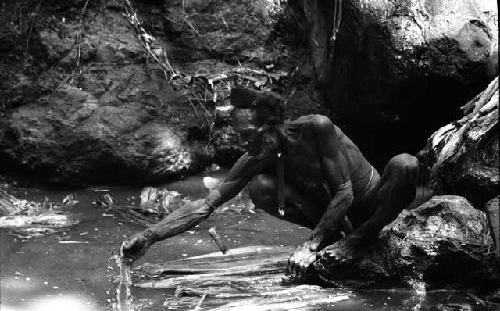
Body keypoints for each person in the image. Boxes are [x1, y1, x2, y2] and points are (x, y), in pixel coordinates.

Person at [121, 86, 419, 281]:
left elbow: (345, 192)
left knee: (406, 164)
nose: (242, 142)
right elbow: (205, 203)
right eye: (238, 134)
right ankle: (334, 239)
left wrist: (308, 247)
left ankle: (353, 241)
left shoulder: (316, 128)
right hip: (332, 220)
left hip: (371, 206)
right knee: (260, 187)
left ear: (272, 125)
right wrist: (150, 235)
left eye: (249, 133)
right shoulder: (256, 156)